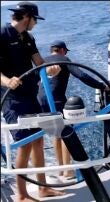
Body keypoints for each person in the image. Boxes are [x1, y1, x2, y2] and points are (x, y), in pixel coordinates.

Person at [0, 2, 66, 201]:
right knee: (24, 144)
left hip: (30, 95)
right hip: (13, 100)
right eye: (35, 20)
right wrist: (6, 80)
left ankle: (43, 188)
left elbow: (40, 63)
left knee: (38, 140)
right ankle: (21, 195)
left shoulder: (28, 38)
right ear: (27, 17)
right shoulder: (2, 35)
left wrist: (51, 69)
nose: (36, 24)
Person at [37, 40, 109, 179]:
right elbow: (82, 75)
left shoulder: (43, 61)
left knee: (55, 134)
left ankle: (61, 169)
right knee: (66, 133)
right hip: (56, 100)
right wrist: (102, 86)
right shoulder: (64, 59)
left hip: (40, 101)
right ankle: (69, 171)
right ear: (63, 50)